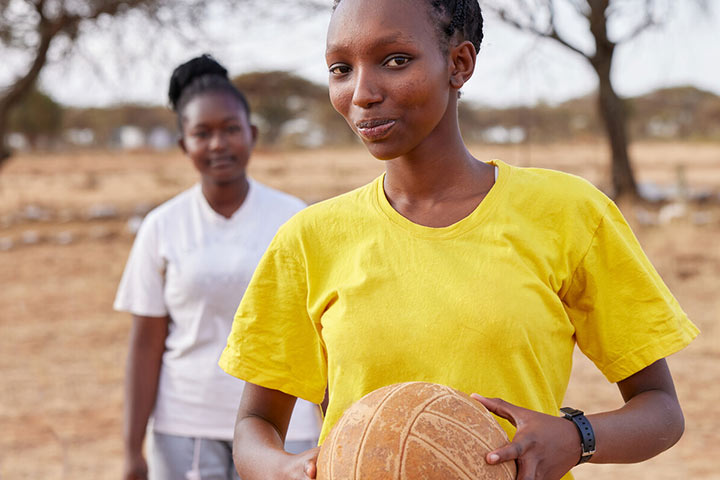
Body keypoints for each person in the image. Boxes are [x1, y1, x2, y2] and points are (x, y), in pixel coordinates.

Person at [218, 1, 699, 479]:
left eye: (395, 60)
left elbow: (660, 411)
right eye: (340, 68)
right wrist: (280, 469)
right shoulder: (310, 239)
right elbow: (255, 424)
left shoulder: (569, 213)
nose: (362, 92)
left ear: (459, 63)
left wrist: (575, 438)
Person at [114, 54, 321, 480]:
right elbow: (146, 343)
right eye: (202, 133)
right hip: (185, 425)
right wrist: (132, 449)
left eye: (230, 129)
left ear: (252, 134)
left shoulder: (294, 219)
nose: (218, 144)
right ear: (183, 144)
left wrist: (333, 422)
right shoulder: (162, 226)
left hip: (285, 428)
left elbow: (319, 335)